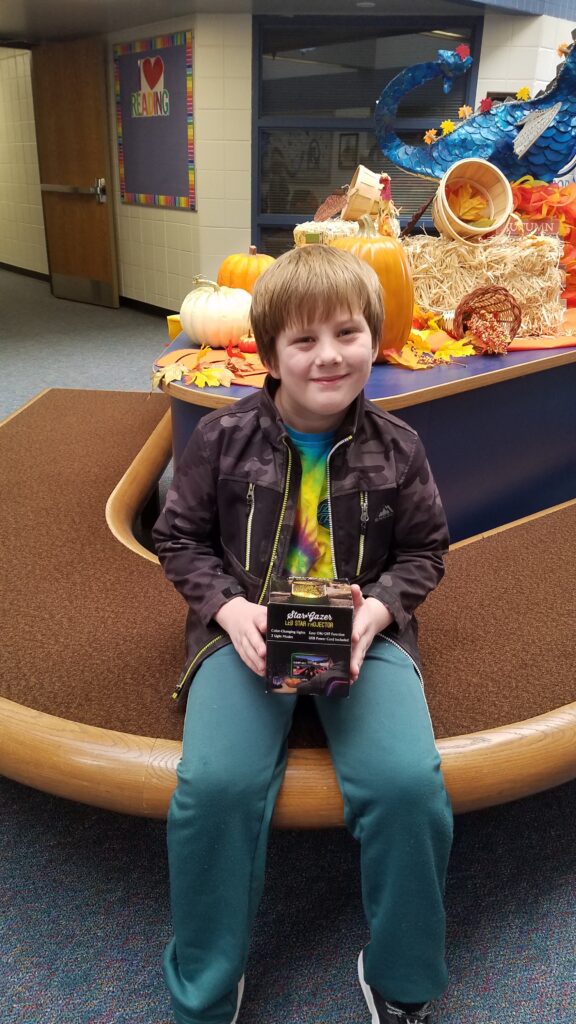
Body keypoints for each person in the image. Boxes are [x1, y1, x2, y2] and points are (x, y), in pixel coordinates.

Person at [153, 244, 454, 1024]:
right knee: (214, 788)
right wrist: (228, 610)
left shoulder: (399, 446)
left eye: (348, 333)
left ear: (374, 338)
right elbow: (178, 539)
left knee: (407, 787)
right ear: (271, 355)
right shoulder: (222, 439)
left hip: (362, 632)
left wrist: (379, 613)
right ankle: (207, 989)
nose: (329, 356)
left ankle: (402, 976)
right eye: (304, 341)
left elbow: (425, 552)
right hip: (246, 630)